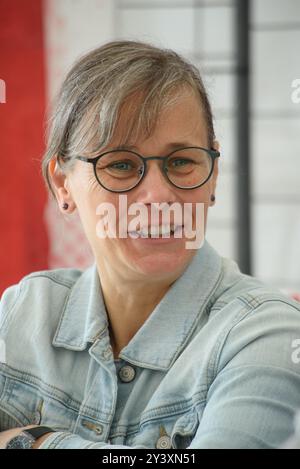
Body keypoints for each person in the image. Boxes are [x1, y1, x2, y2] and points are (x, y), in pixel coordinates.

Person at [1, 40, 300, 449]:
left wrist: (36, 443)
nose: (158, 196)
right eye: (121, 165)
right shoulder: (21, 312)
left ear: (213, 175)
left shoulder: (272, 337)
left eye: (181, 161)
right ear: (62, 184)